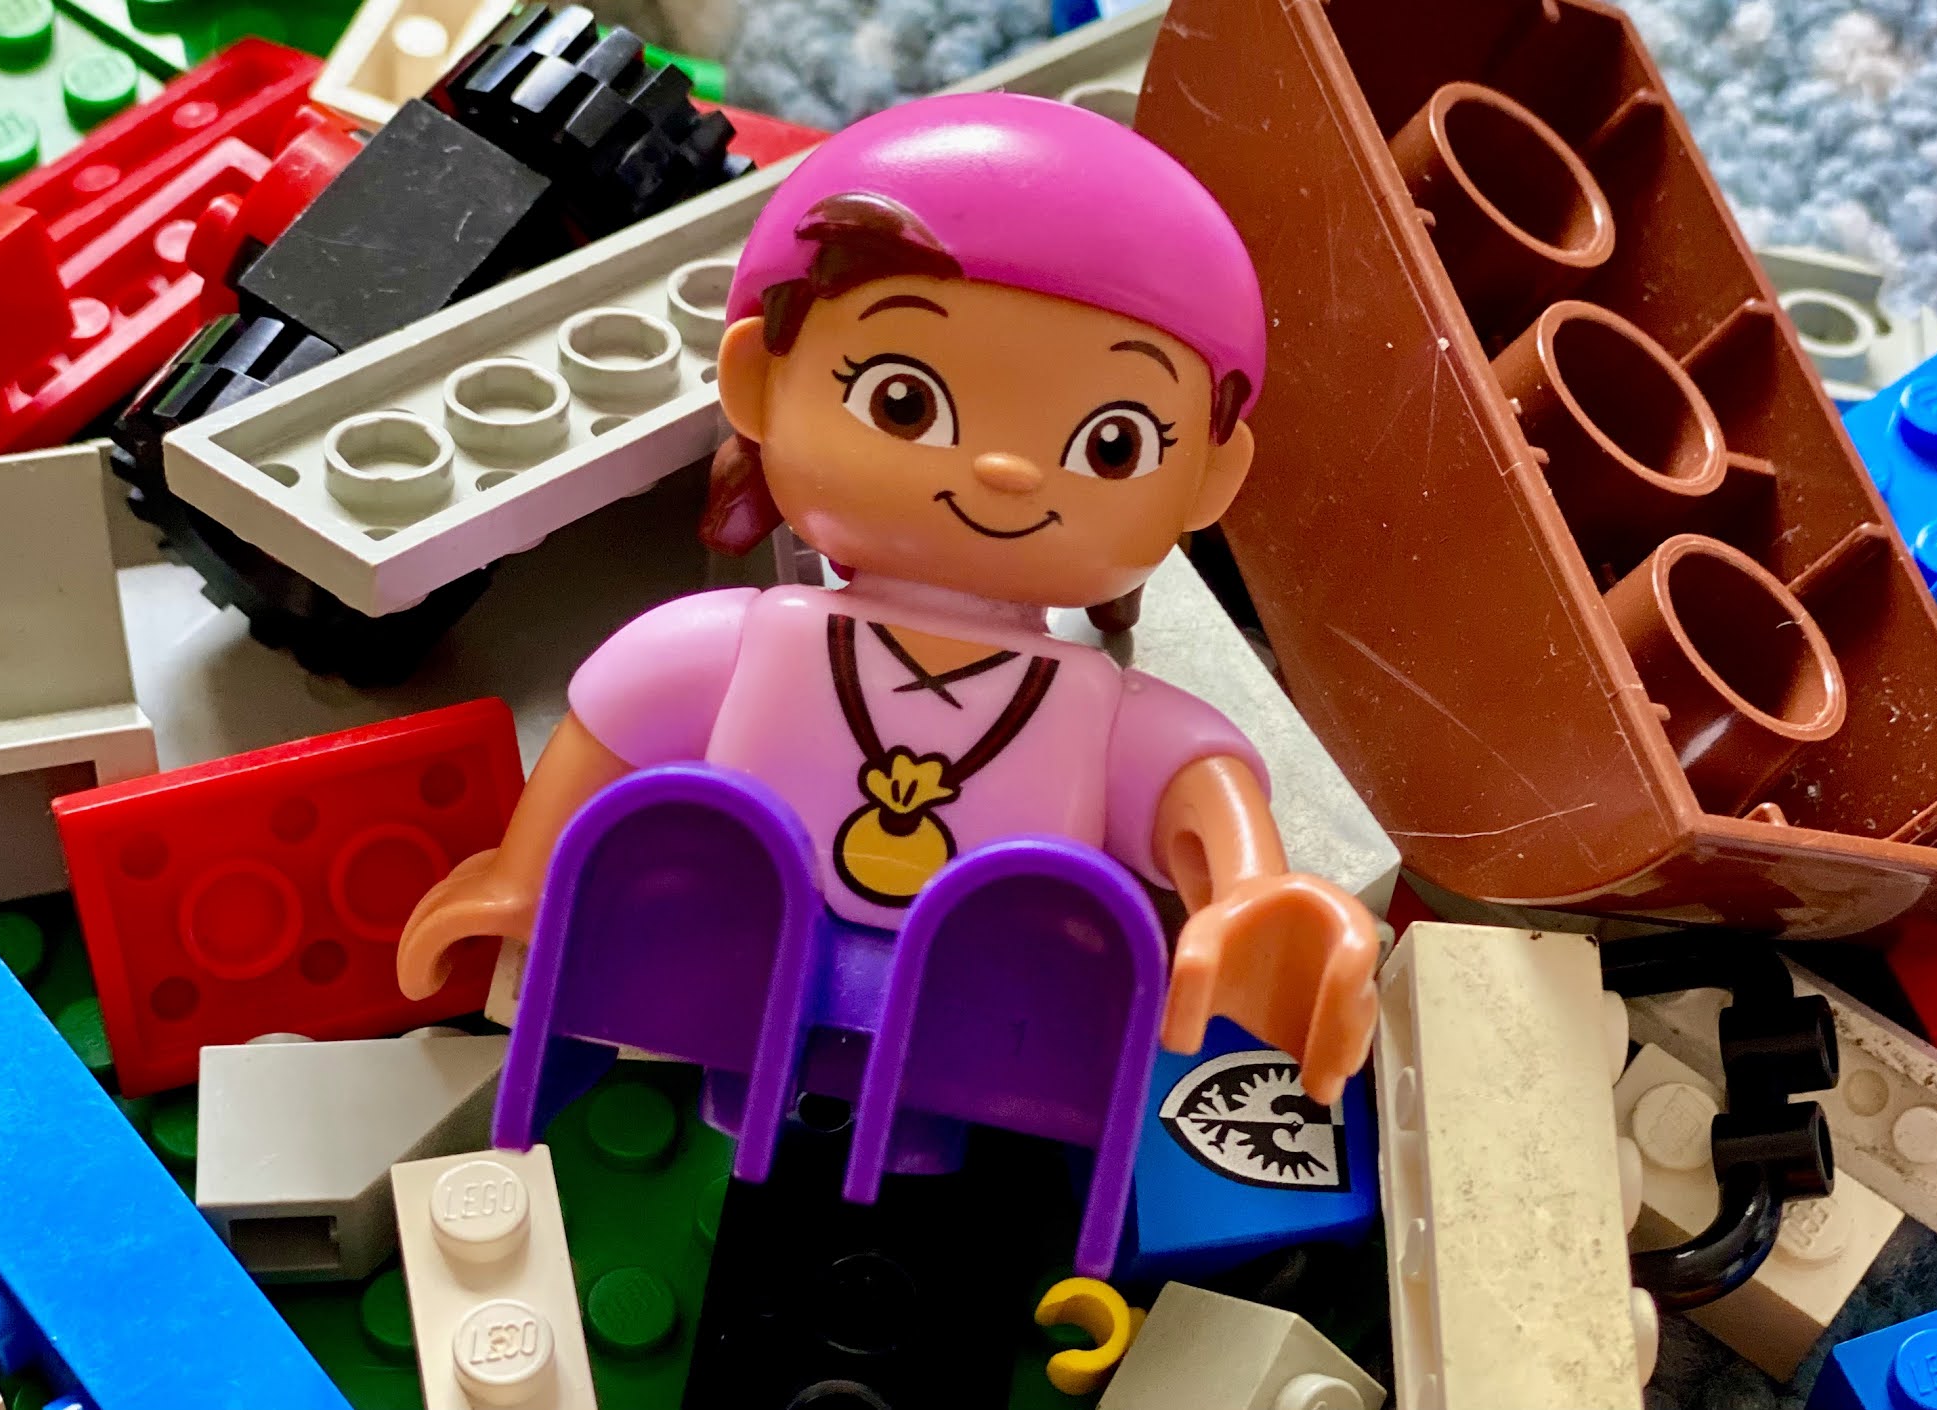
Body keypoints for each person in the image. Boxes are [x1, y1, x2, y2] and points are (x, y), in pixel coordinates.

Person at [395, 90, 1379, 1108]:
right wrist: (526, 875)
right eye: (903, 401)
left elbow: (1196, 785)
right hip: (721, 974)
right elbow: (615, 721)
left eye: (1110, 443)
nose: (1003, 469)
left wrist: (1251, 893)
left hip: (975, 1027)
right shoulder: (739, 645)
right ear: (759, 383)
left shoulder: (1094, 714)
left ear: (1210, 480)